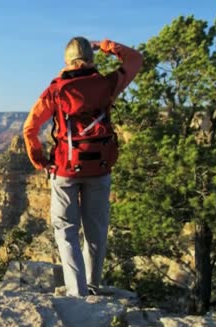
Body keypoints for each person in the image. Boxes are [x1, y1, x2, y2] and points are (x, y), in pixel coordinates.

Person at [23, 37, 143, 296]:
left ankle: (77, 293)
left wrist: (41, 162)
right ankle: (92, 286)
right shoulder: (108, 84)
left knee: (66, 230)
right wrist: (105, 45)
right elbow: (135, 60)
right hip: (100, 169)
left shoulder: (56, 90)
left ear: (67, 61)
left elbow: (30, 128)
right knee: (96, 230)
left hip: (65, 171)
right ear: (91, 58)